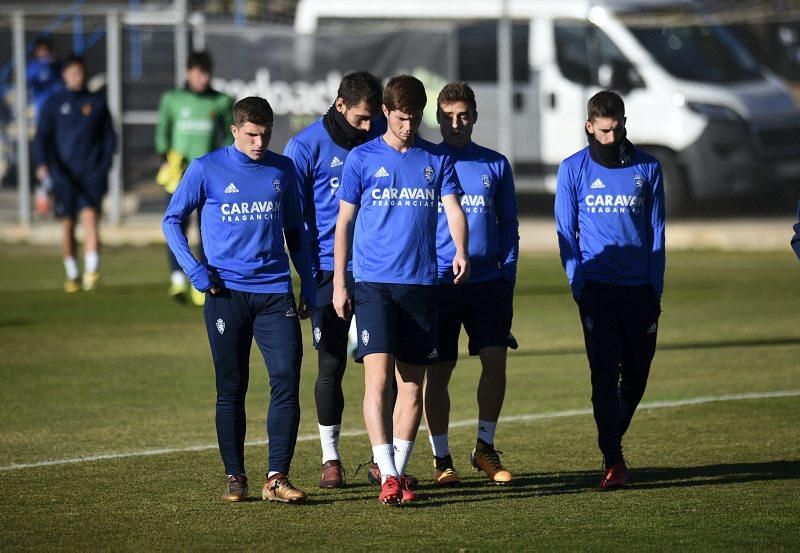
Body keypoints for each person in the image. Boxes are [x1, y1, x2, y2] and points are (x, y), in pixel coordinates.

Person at [163, 96, 316, 504]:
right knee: (232, 386)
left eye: (265, 134)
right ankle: (236, 477)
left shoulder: (283, 169)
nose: (259, 142)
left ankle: (277, 477)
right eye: (251, 134)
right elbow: (171, 219)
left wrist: (311, 284)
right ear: (235, 130)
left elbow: (296, 232)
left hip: (274, 293)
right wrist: (195, 272)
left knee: (286, 377)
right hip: (225, 294)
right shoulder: (206, 168)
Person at [333, 75, 469, 505]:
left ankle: (398, 469)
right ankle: (389, 474)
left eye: (414, 119)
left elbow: (453, 207)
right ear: (386, 114)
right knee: (377, 381)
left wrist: (461, 248)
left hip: (422, 283)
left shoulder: (436, 158)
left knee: (411, 385)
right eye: (401, 118)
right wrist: (340, 281)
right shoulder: (361, 159)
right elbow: (343, 224)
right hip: (373, 283)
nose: (408, 127)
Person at [554, 90, 665, 490]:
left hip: (640, 291)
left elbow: (657, 232)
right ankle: (613, 459)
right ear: (589, 126)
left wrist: (656, 286)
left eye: (617, 128)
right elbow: (566, 231)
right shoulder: (572, 169)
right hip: (597, 289)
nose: (611, 136)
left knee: (635, 377)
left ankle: (610, 438)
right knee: (603, 376)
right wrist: (577, 282)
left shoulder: (648, 168)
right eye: (603, 130)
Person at [283, 71, 384, 489]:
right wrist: (308, 278)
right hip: (326, 269)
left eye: (372, 118)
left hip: (379, 268)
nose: (368, 127)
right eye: (361, 118)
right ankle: (331, 458)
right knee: (331, 365)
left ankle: (385, 458)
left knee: (383, 365)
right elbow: (295, 222)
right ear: (340, 106)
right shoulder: (304, 147)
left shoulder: (381, 135)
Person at [423, 82, 519, 486]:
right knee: (439, 372)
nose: (455, 124)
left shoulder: (495, 165)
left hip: (487, 283)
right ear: (438, 118)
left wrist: (507, 275)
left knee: (495, 361)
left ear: (475, 116)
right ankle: (441, 458)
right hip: (441, 283)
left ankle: (484, 447)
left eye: (463, 116)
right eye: (447, 118)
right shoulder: (425, 162)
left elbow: (509, 224)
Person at [156, 51, 234, 305]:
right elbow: (162, 132)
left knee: (206, 228)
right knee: (175, 223)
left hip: (209, 176)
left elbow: (229, 136)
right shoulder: (172, 99)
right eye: (199, 73)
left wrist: (222, 162)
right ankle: (177, 278)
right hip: (178, 174)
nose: (203, 79)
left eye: (207, 73)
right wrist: (166, 159)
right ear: (189, 73)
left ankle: (203, 277)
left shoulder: (221, 101)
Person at [34, 55, 116, 293]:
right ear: (64, 76)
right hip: (63, 175)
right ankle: (72, 274)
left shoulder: (96, 103)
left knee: (90, 219)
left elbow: (109, 138)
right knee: (67, 223)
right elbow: (42, 138)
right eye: (72, 74)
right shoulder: (53, 104)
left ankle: (92, 271)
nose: (77, 77)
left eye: (80, 73)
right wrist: (43, 164)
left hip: (90, 173)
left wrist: (104, 166)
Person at [27, 37, 64, 122]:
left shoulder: (57, 66)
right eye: (41, 50)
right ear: (36, 51)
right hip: (42, 106)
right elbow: (31, 78)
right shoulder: (33, 66)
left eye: (46, 50)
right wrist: (46, 62)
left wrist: (54, 63)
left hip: (58, 104)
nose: (44, 53)